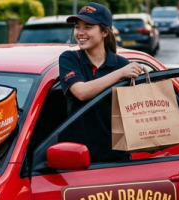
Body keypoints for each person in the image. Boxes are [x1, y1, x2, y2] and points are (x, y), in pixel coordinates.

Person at [58, 2, 146, 162]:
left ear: (105, 32)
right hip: (76, 158)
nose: (80, 32)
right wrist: (120, 74)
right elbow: (81, 92)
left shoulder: (122, 64)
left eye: (88, 27)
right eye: (77, 27)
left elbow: (136, 112)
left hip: (115, 160)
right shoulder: (69, 59)